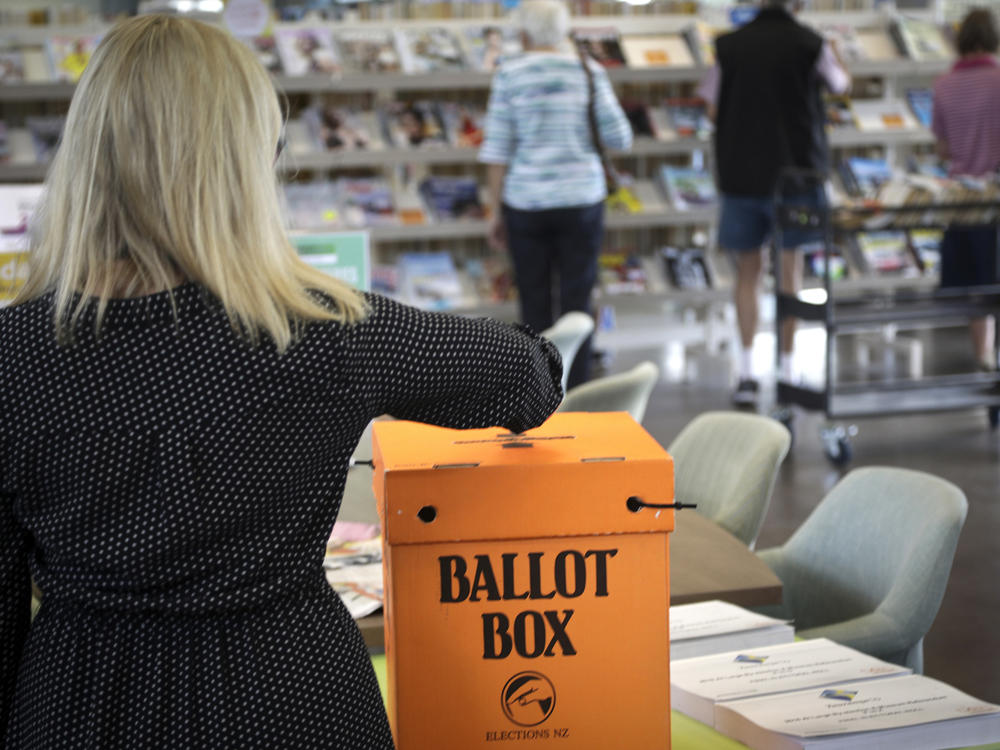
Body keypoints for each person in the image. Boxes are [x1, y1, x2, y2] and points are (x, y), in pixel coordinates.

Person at [0, 15, 562, 749]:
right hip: (290, 695)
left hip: (77, 702)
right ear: (247, 164)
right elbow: (530, 378)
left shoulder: (13, 355)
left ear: (83, 161)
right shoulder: (322, 332)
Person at [698, 0, 849, 408]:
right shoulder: (810, 44)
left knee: (747, 272)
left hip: (741, 175)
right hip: (796, 177)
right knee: (790, 270)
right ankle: (787, 367)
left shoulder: (728, 46)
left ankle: (746, 372)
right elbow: (840, 85)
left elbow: (712, 107)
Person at [480, 0, 632, 388]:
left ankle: (537, 393)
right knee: (578, 300)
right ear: (563, 32)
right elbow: (620, 137)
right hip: (582, 199)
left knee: (532, 302)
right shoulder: (588, 71)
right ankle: (576, 389)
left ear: (524, 33)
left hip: (525, 202)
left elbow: (497, 150)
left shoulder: (509, 74)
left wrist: (493, 212)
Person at [932, 8, 1000, 372]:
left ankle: (983, 358)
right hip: (995, 200)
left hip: (960, 202)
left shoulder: (943, 84)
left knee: (976, 291)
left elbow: (943, 148)